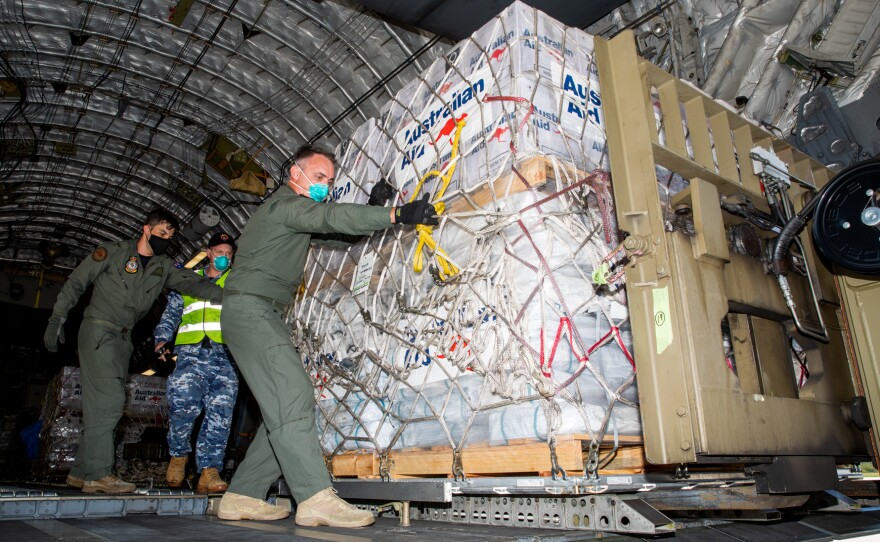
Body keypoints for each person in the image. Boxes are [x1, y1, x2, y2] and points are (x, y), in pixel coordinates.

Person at [216, 144, 437, 527]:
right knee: (294, 395)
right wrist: (396, 214)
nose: (325, 186)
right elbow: (331, 215)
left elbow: (337, 236)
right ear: (294, 174)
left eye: (330, 181)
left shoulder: (297, 215)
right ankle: (314, 498)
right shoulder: (285, 206)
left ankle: (243, 495)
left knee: (282, 408)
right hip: (249, 309)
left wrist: (370, 206)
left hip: (262, 311)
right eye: (319, 178)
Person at [44, 209, 223, 494]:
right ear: (146, 229)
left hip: (123, 341)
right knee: (112, 400)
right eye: (162, 233)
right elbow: (77, 282)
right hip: (98, 331)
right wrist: (57, 320)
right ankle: (99, 475)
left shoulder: (163, 267)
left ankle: (80, 472)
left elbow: (195, 284)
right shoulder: (113, 253)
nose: (166, 240)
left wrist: (234, 295)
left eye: (171, 236)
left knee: (99, 406)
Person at [154, 231, 238, 493]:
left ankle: (209, 471)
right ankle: (178, 457)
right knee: (182, 407)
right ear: (208, 253)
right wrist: (161, 339)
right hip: (191, 355)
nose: (223, 257)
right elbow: (172, 313)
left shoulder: (235, 282)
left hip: (226, 356)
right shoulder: (188, 280)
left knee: (220, 415)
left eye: (228, 254)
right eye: (219, 252)